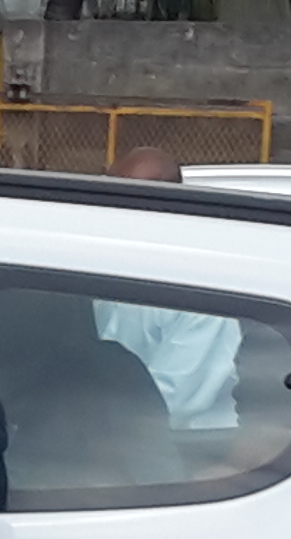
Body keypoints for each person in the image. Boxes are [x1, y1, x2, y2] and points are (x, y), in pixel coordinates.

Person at [94, 145, 242, 430]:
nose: (112, 210)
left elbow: (172, 398)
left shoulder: (199, 288)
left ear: (168, 202)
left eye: (128, 200)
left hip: (190, 445)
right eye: (109, 194)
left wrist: (89, 422)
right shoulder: (101, 266)